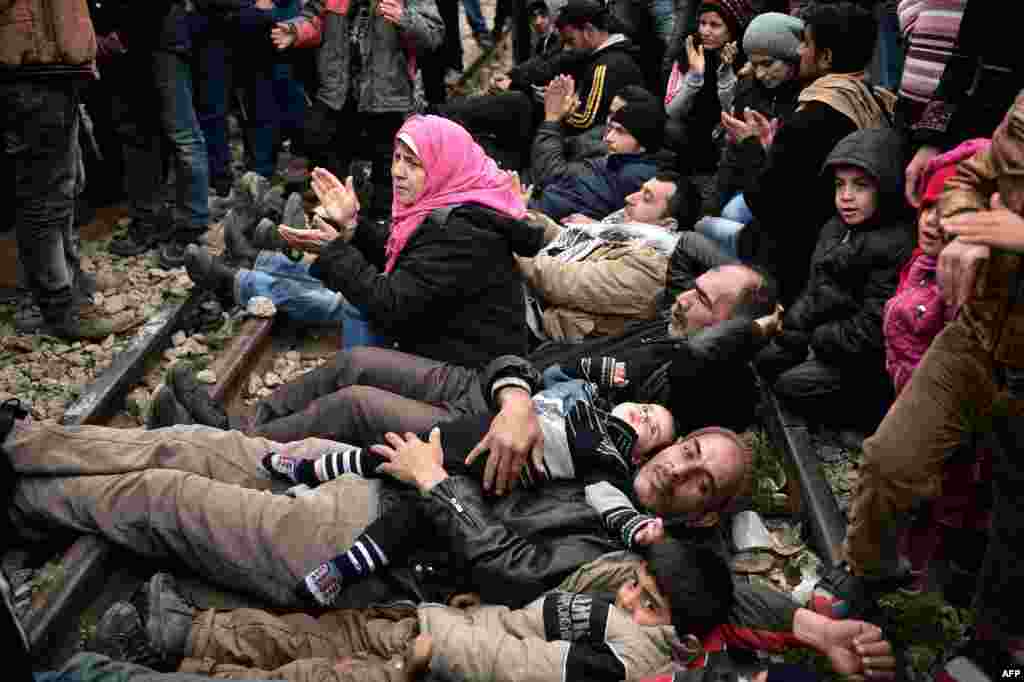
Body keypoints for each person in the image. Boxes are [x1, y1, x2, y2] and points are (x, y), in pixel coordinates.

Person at [0, 398, 750, 610]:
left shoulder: (634, 555)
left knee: (163, 494)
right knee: (192, 444)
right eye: (688, 452)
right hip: (375, 482)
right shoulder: (603, 468)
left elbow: (513, 573)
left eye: (702, 483)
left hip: (372, 549)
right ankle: (20, 447)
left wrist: (435, 484)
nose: (682, 470)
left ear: (704, 514)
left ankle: (17, 507)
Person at [811, 91, 1024, 674]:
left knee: (1014, 521)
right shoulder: (1019, 119)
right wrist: (974, 227)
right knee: (890, 459)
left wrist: (1009, 232)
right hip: (977, 336)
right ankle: (867, 568)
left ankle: (991, 648)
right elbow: (969, 175)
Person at [164, 254, 775, 451]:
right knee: (356, 362)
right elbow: (693, 255)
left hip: (497, 426)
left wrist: (750, 330)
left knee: (356, 404)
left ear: (729, 329)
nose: (686, 296)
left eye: (703, 298)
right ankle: (247, 424)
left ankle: (237, 447)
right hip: (496, 380)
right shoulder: (670, 329)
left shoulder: (706, 376)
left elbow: (708, 359)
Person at [86, 546, 897, 682]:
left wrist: (440, 647)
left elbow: (520, 669)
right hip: (447, 624)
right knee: (311, 636)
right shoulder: (659, 611)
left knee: (312, 669)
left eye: (647, 600)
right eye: (638, 584)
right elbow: (527, 624)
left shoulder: (633, 656)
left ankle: (171, 659)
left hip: (438, 658)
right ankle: (188, 633)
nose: (629, 596)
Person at [184, 115, 545, 365]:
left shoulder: (461, 229)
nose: (397, 171)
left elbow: (388, 301)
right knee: (347, 279)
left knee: (348, 300)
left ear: (443, 165)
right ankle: (255, 263)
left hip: (451, 360)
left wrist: (335, 248)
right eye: (397, 158)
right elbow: (402, 253)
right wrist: (353, 227)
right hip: (438, 330)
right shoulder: (452, 202)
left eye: (413, 163)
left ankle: (240, 279)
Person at [720, 1, 896, 305]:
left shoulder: (812, 118)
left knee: (700, 232)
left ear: (826, 56)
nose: (799, 51)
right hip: (841, 252)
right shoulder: (874, 99)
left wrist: (750, 145)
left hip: (798, 268)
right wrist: (770, 147)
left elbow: (767, 203)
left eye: (806, 43)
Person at [754, 127, 915, 431]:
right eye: (840, 185)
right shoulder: (835, 227)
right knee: (766, 359)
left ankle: (864, 417)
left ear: (886, 187)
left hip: (861, 360)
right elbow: (815, 287)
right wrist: (794, 325)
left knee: (791, 386)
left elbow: (872, 328)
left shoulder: (895, 245)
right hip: (825, 334)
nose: (846, 197)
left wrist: (815, 340)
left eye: (861, 186)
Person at [0, 0, 115, 340]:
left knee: (62, 190)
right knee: (44, 200)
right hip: (31, 70)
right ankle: (57, 306)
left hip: (55, 68)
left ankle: (67, 288)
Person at [269, 0, 443, 217]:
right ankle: (333, 225)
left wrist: (404, 18)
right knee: (328, 161)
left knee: (387, 173)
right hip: (338, 94)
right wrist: (296, 31)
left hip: (387, 98)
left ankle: (383, 227)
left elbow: (433, 34)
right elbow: (315, 17)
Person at [441, 0, 646, 172]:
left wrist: (553, 103)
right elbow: (549, 63)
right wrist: (521, 82)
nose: (567, 48)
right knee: (512, 102)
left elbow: (584, 120)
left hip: (577, 144)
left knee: (515, 105)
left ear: (589, 32)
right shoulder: (593, 54)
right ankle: (446, 124)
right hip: (562, 130)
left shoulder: (608, 66)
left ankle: (448, 135)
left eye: (570, 40)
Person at [520, 172, 695, 342]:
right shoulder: (624, 233)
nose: (630, 197)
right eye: (640, 190)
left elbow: (561, 281)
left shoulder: (651, 267)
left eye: (646, 198)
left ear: (668, 225)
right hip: (532, 299)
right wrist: (520, 214)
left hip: (539, 324)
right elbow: (569, 241)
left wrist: (512, 250)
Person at [697, 11, 804, 256]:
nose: (761, 74)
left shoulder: (807, 101)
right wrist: (710, 206)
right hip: (750, 185)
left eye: (768, 64)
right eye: (754, 64)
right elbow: (731, 157)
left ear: (791, 58)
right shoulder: (748, 92)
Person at [530, 83, 671, 220]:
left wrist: (552, 120)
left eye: (620, 131)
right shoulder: (614, 153)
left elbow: (554, 177)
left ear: (643, 144)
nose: (609, 136)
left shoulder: (631, 175)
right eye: (610, 114)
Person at [664, 0, 754, 214]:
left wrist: (725, 72)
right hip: (691, 132)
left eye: (715, 25)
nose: (705, 31)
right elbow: (672, 110)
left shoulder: (746, 60)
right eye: (702, 23)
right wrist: (695, 75)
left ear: (731, 29)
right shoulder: (689, 52)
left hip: (723, 134)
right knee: (672, 129)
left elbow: (735, 112)